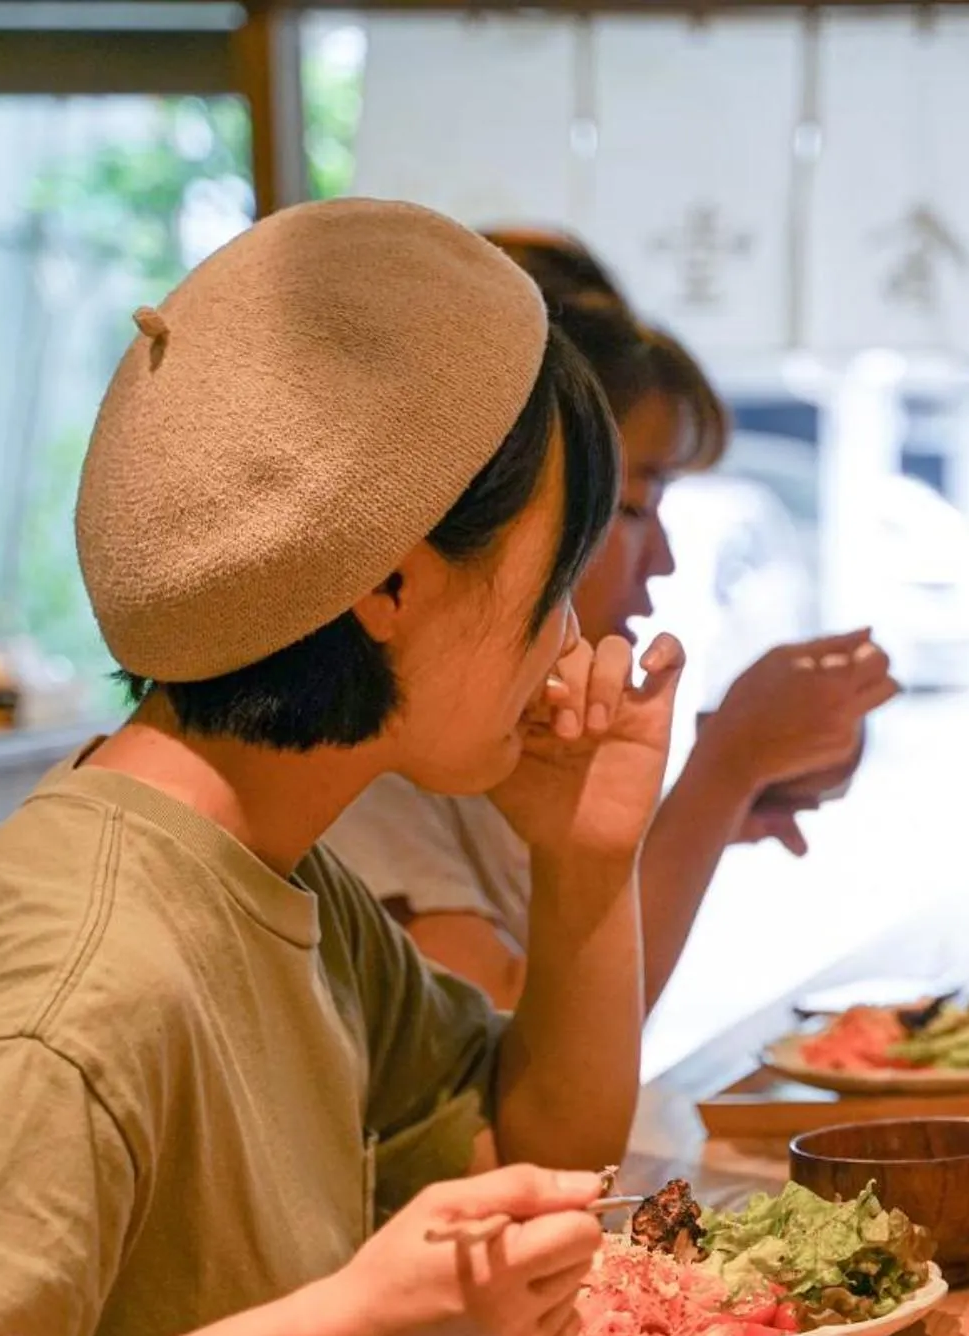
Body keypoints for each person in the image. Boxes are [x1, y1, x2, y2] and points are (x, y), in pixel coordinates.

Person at [0, 199, 677, 1336]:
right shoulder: (85, 967)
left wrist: (584, 867)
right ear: (394, 583)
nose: (580, 634)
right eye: (554, 577)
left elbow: (531, 1161)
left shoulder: (272, 869)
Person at [326, 229, 898, 1011]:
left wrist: (735, 780)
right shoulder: (364, 765)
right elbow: (520, 1081)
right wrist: (720, 773)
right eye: (632, 505)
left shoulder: (490, 739)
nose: (661, 558)